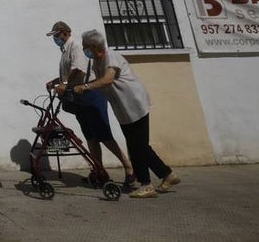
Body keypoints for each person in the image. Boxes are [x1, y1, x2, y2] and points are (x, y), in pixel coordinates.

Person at [60, 29, 180, 199]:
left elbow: (108, 79)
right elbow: (98, 81)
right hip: (124, 109)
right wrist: (81, 87)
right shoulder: (97, 62)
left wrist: (86, 87)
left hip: (135, 105)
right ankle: (168, 175)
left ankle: (146, 185)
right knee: (140, 145)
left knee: (136, 147)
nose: (85, 50)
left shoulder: (111, 57)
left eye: (87, 47)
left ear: (94, 46)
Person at [44, 21, 134, 186]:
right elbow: (68, 74)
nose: (55, 39)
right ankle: (99, 171)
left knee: (103, 135)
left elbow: (78, 70)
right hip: (79, 96)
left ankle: (129, 168)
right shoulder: (65, 51)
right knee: (90, 136)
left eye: (56, 35)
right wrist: (55, 81)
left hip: (91, 94)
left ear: (64, 33)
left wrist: (63, 84)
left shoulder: (76, 46)